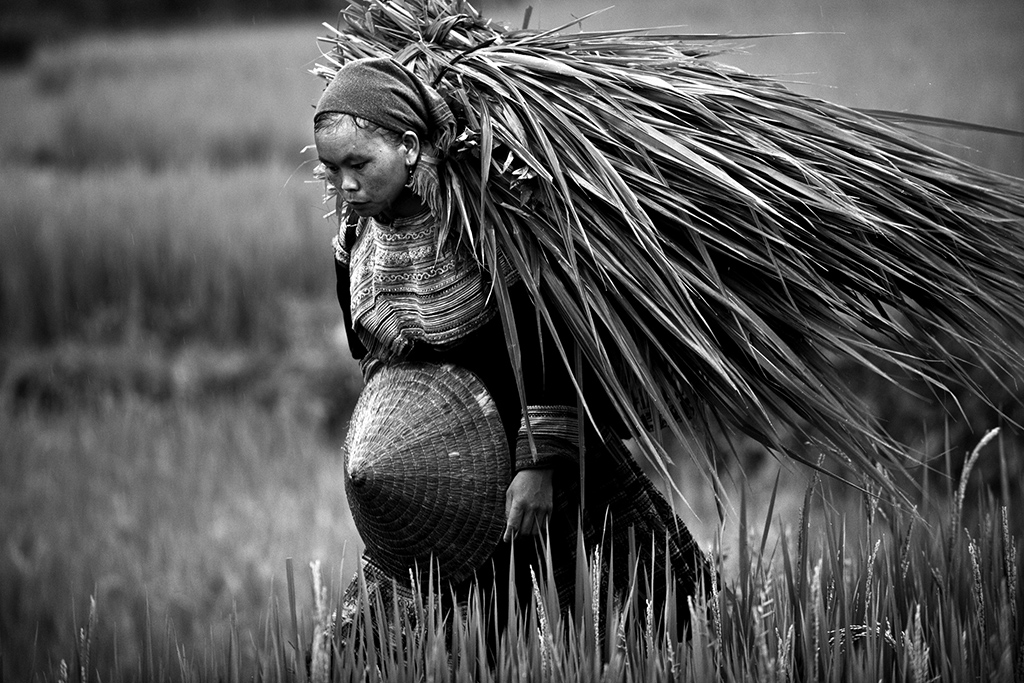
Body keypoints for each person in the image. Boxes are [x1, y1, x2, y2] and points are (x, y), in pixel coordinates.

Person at [314, 57, 712, 646]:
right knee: (405, 648)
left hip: (539, 477)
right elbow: (373, 362)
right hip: (440, 485)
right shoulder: (355, 240)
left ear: (409, 147)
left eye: (359, 164)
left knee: (629, 630)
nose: (346, 184)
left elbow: (549, 340)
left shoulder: (482, 226)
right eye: (331, 169)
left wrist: (538, 468)